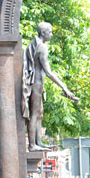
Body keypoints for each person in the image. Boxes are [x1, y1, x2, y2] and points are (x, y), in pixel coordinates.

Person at [22, 22, 78, 151]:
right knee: (35, 114)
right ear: (43, 33)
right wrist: (64, 87)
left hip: (39, 85)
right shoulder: (42, 47)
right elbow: (48, 72)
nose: (52, 34)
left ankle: (38, 142)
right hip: (35, 84)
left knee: (40, 114)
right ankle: (32, 145)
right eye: (50, 32)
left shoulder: (37, 45)